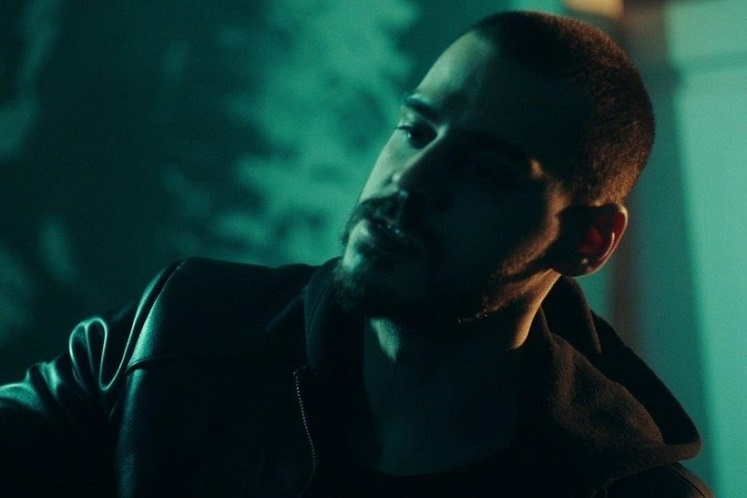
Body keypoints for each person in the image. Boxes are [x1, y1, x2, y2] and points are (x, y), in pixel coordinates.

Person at [0, 10, 713, 497]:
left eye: (484, 170)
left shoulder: (623, 488)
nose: (413, 180)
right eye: (416, 130)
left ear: (587, 240)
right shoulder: (175, 334)